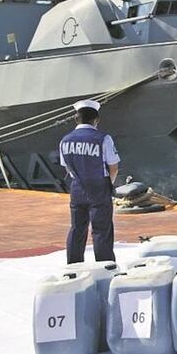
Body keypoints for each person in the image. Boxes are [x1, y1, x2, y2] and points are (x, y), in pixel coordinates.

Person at [59, 100, 120, 263]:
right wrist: (109, 184)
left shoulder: (65, 140)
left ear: (75, 119)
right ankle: (105, 265)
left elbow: (67, 167)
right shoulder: (103, 138)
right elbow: (113, 166)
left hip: (77, 188)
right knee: (101, 230)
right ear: (96, 120)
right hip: (99, 188)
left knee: (77, 228)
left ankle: (73, 266)